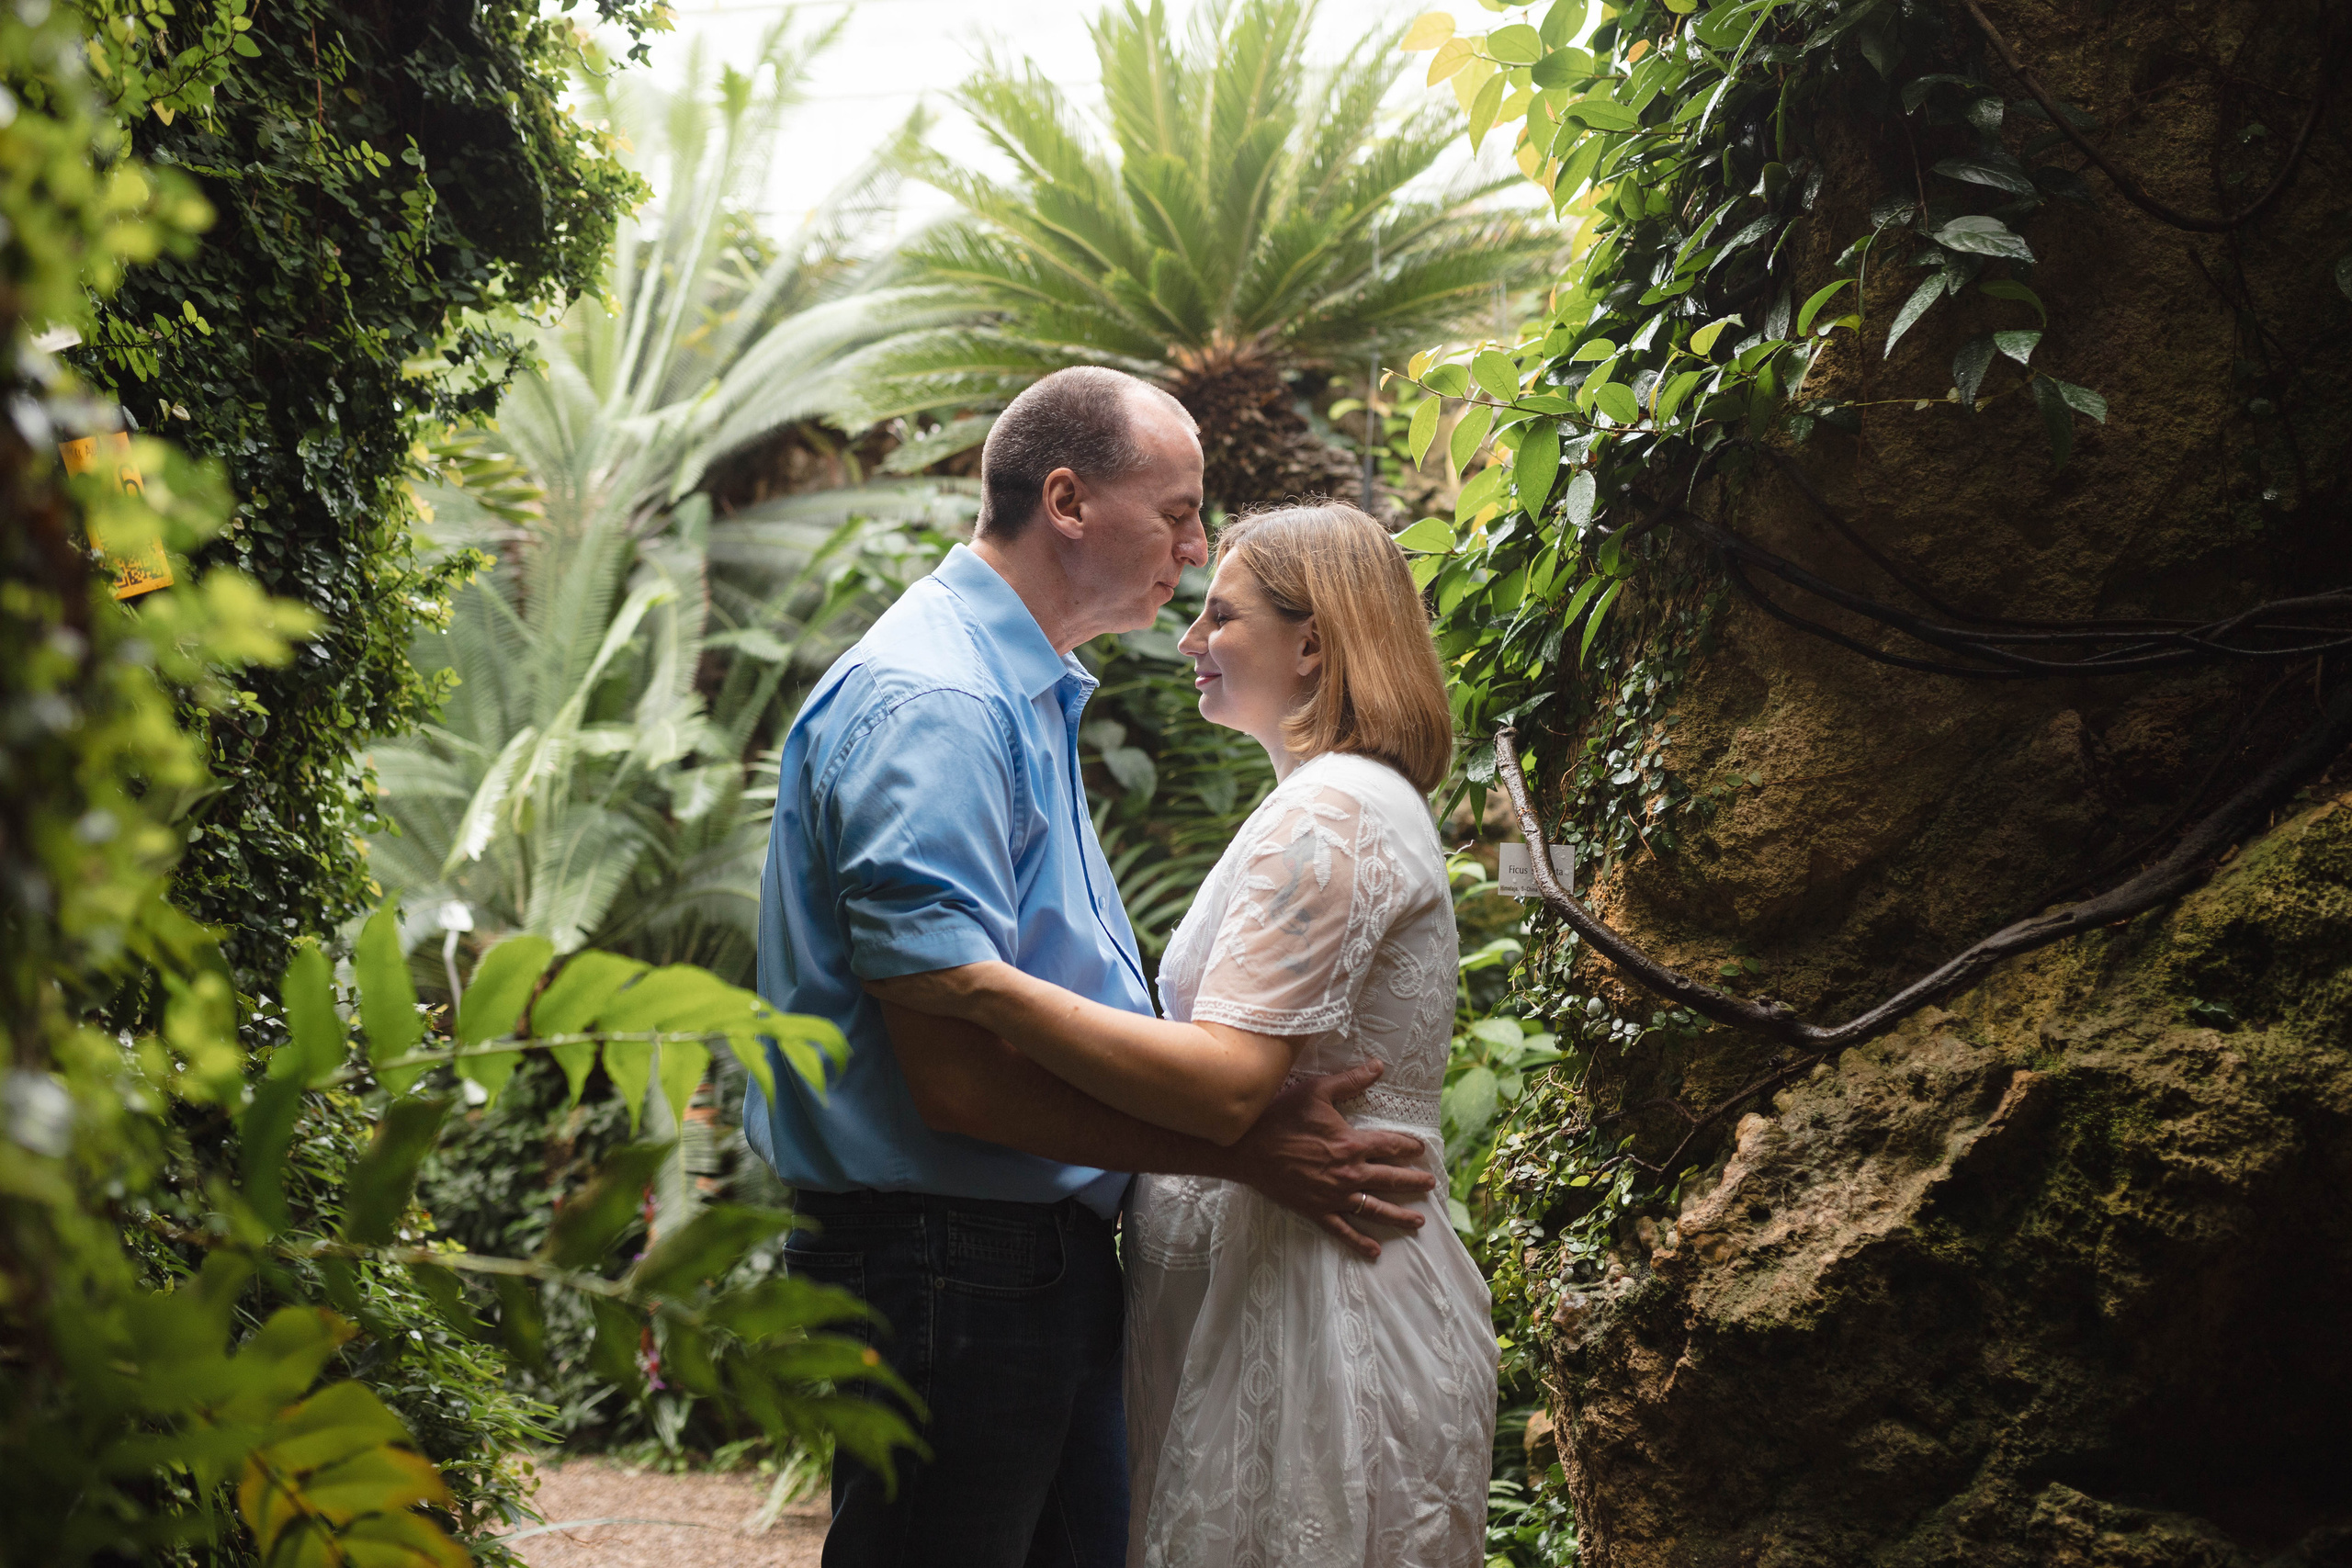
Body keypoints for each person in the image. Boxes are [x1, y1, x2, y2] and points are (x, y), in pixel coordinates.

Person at [743, 367, 1442, 1568]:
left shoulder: (1019, 686)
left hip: (1017, 1260)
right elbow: (954, 1082)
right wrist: (1235, 1147)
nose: (1196, 542)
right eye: (1175, 511)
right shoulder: (941, 697)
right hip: (946, 1260)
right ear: (1066, 500)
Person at [873, 502, 1498, 1567]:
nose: (1189, 642)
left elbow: (1222, 1088)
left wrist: (979, 989)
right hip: (1277, 1287)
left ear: (1313, 641)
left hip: (1310, 1303)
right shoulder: (1329, 800)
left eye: (1222, 617)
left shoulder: (1331, 812)